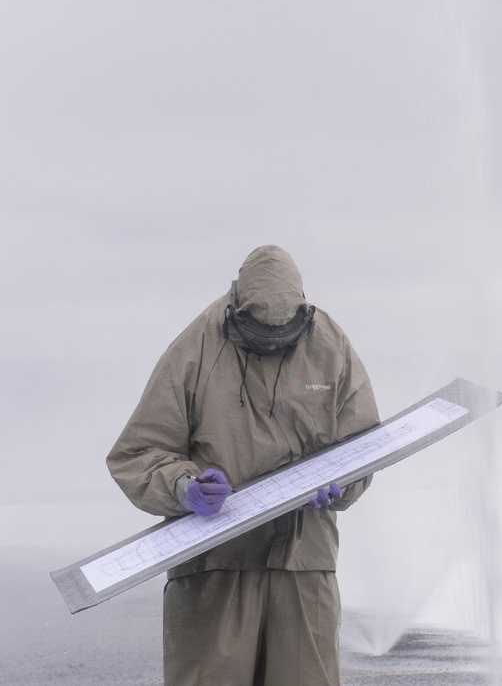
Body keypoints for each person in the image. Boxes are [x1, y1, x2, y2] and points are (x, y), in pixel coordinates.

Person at [106, 245, 379, 686]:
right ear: (236, 310)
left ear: (304, 312)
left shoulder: (331, 346)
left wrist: (344, 481)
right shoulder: (194, 349)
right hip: (213, 564)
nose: (272, 342)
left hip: (303, 563)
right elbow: (137, 453)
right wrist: (184, 486)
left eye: (284, 335)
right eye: (259, 334)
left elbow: (365, 445)